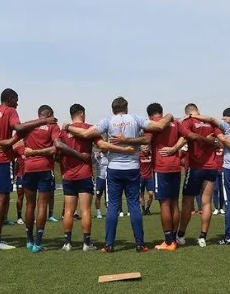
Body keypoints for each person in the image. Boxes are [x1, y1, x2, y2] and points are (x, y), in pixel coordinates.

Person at [64, 96, 172, 253]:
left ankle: (109, 245)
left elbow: (87, 134)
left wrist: (68, 127)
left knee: (113, 206)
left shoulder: (108, 121)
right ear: (127, 108)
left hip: (114, 168)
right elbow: (161, 125)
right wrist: (169, 115)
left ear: (112, 110)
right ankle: (139, 244)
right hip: (133, 167)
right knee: (134, 205)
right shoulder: (136, 118)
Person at [0, 88, 55, 250]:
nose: (17, 103)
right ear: (9, 98)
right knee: (2, 198)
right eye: (16, 99)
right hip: (2, 159)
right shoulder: (9, 111)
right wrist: (44, 121)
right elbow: (19, 127)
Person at [55, 103, 134, 251]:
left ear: (71, 115)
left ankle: (67, 243)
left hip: (68, 175)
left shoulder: (62, 132)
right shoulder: (88, 128)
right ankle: (86, 243)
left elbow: (56, 153)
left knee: (68, 211)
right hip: (84, 174)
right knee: (85, 210)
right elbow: (103, 146)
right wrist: (123, 149)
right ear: (82, 114)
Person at [187, 108, 230, 244]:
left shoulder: (227, 126)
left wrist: (193, 115)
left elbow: (211, 119)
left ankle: (229, 237)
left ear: (226, 118)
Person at [163, 103, 222, 247]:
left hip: (195, 167)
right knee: (206, 202)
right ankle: (203, 237)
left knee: (187, 202)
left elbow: (184, 137)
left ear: (187, 112)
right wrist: (213, 141)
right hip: (212, 167)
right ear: (198, 111)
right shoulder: (210, 122)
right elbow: (219, 141)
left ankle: (181, 234)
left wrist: (173, 149)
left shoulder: (188, 122)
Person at [16, 105, 61, 253]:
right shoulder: (52, 126)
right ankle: (37, 243)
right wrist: (38, 152)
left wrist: (29, 152)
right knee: (42, 205)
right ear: (49, 114)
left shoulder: (30, 125)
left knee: (30, 205)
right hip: (44, 168)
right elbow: (56, 148)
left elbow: (15, 139)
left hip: (29, 169)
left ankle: (29, 240)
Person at [145, 102, 184, 251]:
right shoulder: (174, 123)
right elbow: (185, 137)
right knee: (174, 203)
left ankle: (168, 241)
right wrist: (174, 148)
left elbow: (146, 142)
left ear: (149, 115)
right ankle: (173, 239)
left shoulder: (152, 124)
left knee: (165, 204)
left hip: (161, 168)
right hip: (175, 166)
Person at [13, 141, 26, 225]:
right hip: (20, 175)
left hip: (31, 175)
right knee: (20, 196)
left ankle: (30, 216)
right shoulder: (18, 147)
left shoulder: (34, 146)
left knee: (31, 198)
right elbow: (11, 157)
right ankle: (19, 217)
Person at [139, 144, 154, 215]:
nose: (145, 148)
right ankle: (143, 210)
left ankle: (148, 208)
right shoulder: (139, 155)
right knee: (141, 195)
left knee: (151, 194)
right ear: (141, 148)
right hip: (141, 177)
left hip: (149, 178)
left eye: (147, 147)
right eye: (144, 147)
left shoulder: (151, 154)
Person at [212, 142, 226, 215]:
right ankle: (216, 208)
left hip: (222, 170)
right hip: (214, 170)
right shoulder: (212, 147)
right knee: (215, 189)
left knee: (222, 190)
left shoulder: (224, 147)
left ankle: (221, 207)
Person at [94, 149, 107, 219]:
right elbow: (92, 161)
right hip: (100, 178)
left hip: (108, 179)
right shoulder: (97, 155)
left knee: (108, 196)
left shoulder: (109, 154)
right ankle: (98, 212)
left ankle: (108, 211)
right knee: (98, 195)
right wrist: (96, 154)